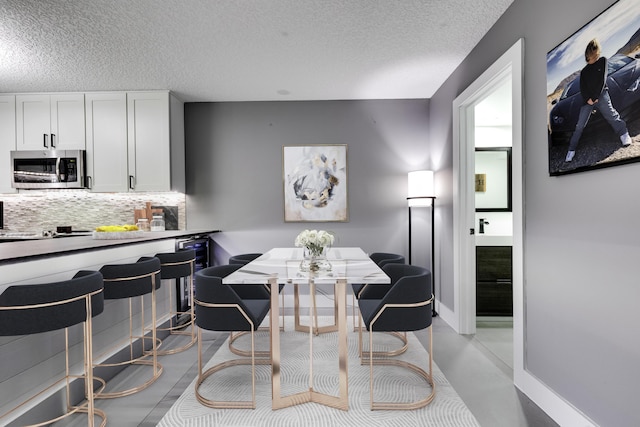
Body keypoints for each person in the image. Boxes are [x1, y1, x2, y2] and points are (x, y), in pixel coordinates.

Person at [565, 38, 632, 162]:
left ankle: (624, 134)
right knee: (579, 126)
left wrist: (595, 97)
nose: (595, 58)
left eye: (596, 55)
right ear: (587, 56)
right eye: (592, 56)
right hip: (588, 100)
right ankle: (571, 150)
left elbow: (601, 80)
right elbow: (583, 88)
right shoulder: (584, 72)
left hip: (601, 94)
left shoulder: (602, 61)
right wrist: (589, 99)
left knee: (611, 115)